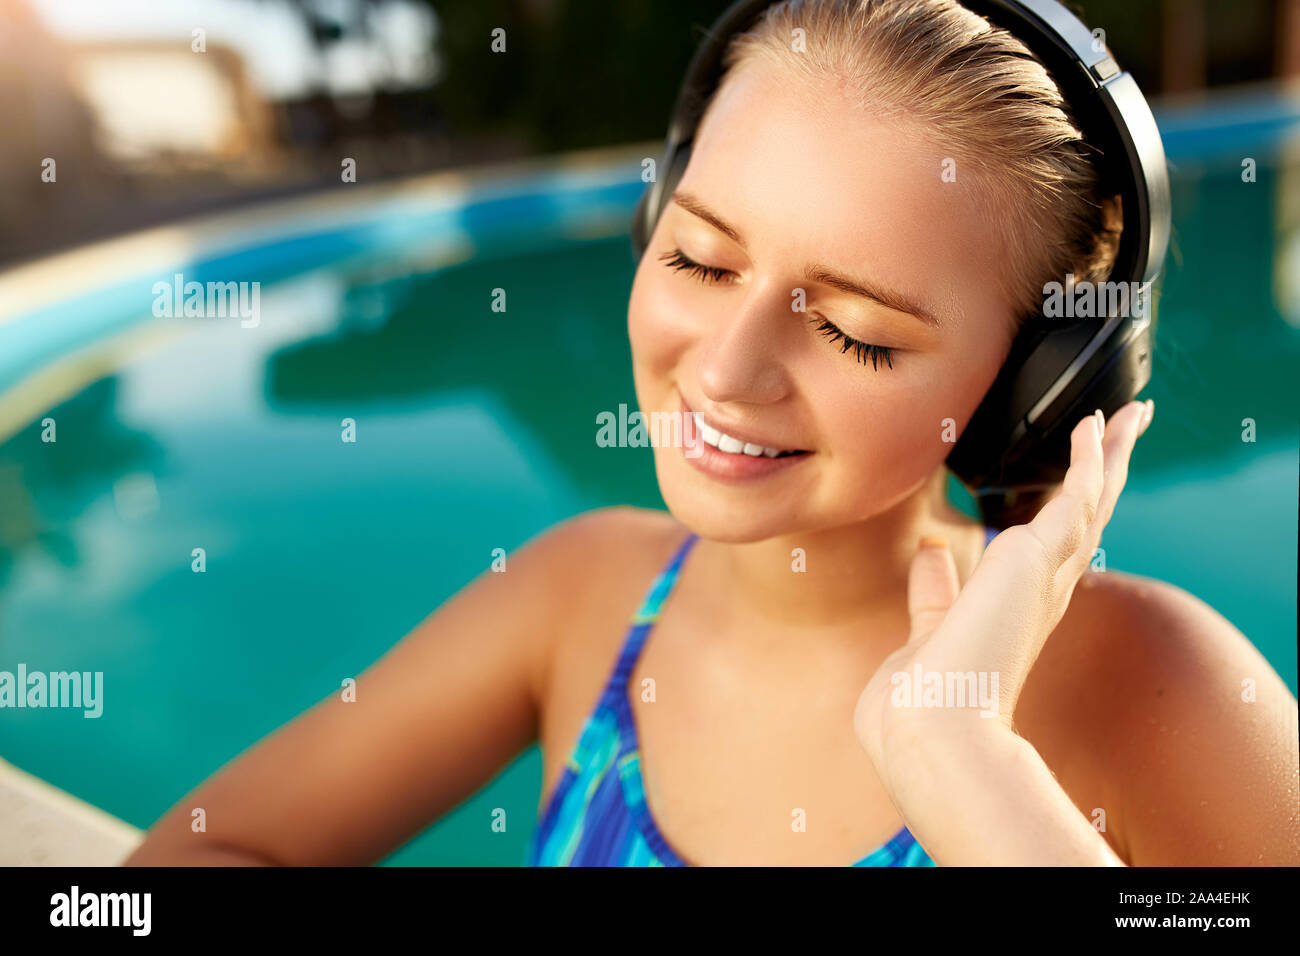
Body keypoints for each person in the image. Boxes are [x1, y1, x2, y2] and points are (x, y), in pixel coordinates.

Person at [124, 0, 1299, 866]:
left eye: (851, 330)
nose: (726, 369)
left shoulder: (1158, 685)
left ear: (1033, 381)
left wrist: (962, 759)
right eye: (697, 256)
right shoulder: (574, 595)